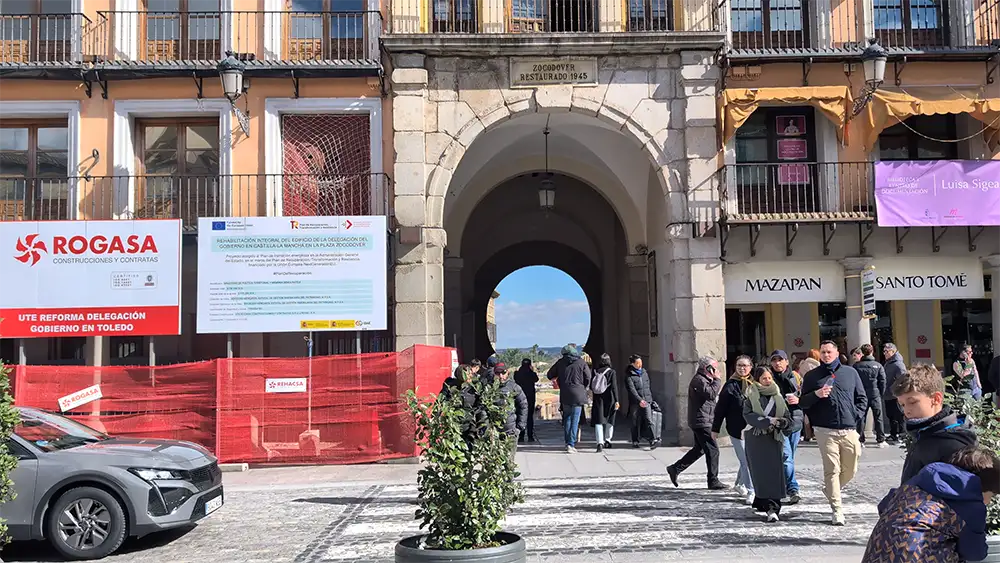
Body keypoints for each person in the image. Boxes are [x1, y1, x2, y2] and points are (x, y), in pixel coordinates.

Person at [863, 446, 1000, 563]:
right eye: (991, 495)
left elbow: (884, 506)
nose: (988, 501)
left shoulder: (916, 482)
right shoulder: (972, 506)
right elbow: (975, 553)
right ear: (983, 487)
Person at [799, 340, 868, 526]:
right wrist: (817, 395)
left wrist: (856, 416)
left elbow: (862, 398)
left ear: (837, 353)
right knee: (832, 470)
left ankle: (830, 490)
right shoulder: (813, 376)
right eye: (823, 352)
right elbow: (803, 402)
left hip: (849, 428)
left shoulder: (850, 373)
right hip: (824, 430)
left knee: (851, 469)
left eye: (829, 352)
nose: (826, 355)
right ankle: (837, 509)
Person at [895, 363, 978, 484]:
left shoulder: (953, 444)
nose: (906, 410)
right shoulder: (925, 432)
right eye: (902, 405)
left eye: (912, 402)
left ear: (936, 399)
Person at [743, 366, 802, 522]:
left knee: (774, 473)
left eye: (769, 378)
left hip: (774, 440)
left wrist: (782, 422)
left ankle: (773, 507)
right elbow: (748, 416)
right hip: (756, 440)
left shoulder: (778, 397)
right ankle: (762, 500)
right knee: (760, 473)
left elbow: (787, 417)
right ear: (757, 380)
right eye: (764, 378)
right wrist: (768, 421)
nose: (768, 381)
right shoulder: (750, 397)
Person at [668, 356, 727, 491]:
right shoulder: (699, 380)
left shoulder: (704, 379)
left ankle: (675, 468)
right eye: (714, 368)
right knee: (713, 450)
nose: (717, 370)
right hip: (702, 421)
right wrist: (717, 379)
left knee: (700, 449)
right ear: (708, 368)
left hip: (703, 419)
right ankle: (713, 481)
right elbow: (711, 394)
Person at [712, 355, 755, 505]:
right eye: (739, 366)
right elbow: (720, 409)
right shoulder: (730, 385)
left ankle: (739, 484)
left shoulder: (755, 384)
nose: (742, 368)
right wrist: (715, 429)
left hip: (752, 428)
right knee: (747, 460)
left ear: (751, 367)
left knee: (748, 459)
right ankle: (752, 491)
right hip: (736, 429)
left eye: (745, 365)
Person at [768, 350, 801, 504]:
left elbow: (805, 395)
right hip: (779, 423)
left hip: (795, 421)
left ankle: (785, 483)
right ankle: (793, 488)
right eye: (774, 360)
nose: (777, 363)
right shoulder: (768, 379)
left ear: (787, 361)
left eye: (780, 360)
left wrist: (798, 398)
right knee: (787, 457)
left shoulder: (795, 377)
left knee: (790, 457)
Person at [546, 344, 592, 454]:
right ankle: (571, 444)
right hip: (578, 394)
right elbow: (588, 377)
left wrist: (559, 379)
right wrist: (583, 387)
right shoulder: (581, 362)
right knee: (575, 419)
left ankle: (567, 442)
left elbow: (549, 374)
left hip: (565, 393)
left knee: (567, 418)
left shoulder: (560, 362)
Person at [854, 343, 888, 448]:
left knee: (861, 417)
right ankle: (880, 439)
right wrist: (880, 393)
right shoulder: (878, 366)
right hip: (875, 394)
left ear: (862, 353)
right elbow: (883, 381)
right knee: (878, 417)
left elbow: (854, 381)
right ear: (872, 351)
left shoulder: (856, 366)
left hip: (861, 395)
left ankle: (860, 439)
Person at [495, 363, 528, 459]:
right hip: (494, 432)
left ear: (507, 373)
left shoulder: (514, 387)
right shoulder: (490, 388)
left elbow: (523, 405)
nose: (500, 376)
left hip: (510, 431)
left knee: (509, 461)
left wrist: (519, 427)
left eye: (503, 373)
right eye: (498, 373)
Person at [625, 354, 657, 449]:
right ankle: (635, 440)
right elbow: (631, 390)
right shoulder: (629, 375)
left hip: (646, 400)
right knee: (634, 421)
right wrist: (639, 400)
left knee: (649, 420)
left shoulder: (644, 372)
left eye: (641, 362)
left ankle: (652, 439)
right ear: (632, 364)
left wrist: (648, 399)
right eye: (638, 363)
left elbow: (647, 386)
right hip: (635, 402)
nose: (640, 364)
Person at [590, 353, 619, 453]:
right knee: (610, 420)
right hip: (609, 399)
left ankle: (599, 443)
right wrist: (617, 400)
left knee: (599, 421)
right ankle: (608, 440)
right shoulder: (612, 372)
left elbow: (591, 386)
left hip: (598, 399)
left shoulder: (595, 371)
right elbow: (614, 387)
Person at [882, 343, 907, 443]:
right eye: (884, 351)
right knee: (891, 415)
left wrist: (899, 392)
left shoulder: (898, 364)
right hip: (888, 393)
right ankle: (893, 434)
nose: (885, 353)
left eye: (886, 351)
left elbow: (903, 379)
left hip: (895, 394)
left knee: (899, 415)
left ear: (893, 351)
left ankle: (902, 434)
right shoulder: (888, 362)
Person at [514, 358, 539, 443]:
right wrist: (532, 371)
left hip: (519, 397)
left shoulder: (517, 374)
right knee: (529, 417)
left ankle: (521, 436)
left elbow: (515, 379)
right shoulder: (532, 374)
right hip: (530, 397)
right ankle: (530, 436)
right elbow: (536, 379)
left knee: (520, 415)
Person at [797, 356, 820, 443]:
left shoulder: (803, 364)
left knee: (806, 415)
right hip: (816, 392)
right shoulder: (817, 365)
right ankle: (815, 433)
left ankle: (807, 434)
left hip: (805, 391)